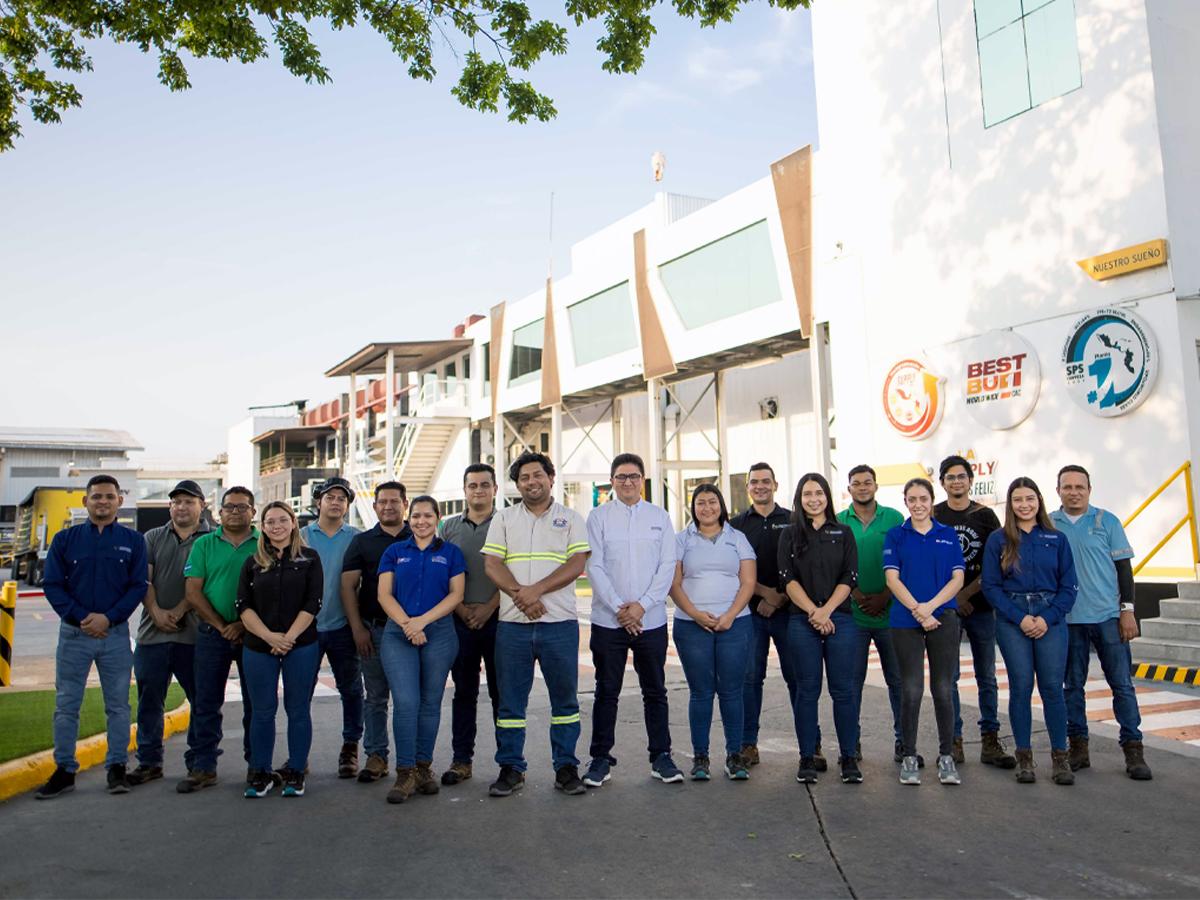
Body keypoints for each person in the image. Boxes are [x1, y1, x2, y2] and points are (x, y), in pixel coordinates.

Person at [482, 451, 590, 798]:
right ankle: (511, 767)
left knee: (565, 700)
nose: (531, 482)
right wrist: (520, 596)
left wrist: (536, 591)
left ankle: (566, 767)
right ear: (517, 485)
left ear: (551, 478)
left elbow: (576, 564)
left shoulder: (571, 518)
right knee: (511, 703)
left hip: (558, 623)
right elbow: (492, 565)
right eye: (524, 478)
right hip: (513, 625)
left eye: (537, 475)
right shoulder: (503, 519)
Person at [36, 475, 147, 799]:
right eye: (96, 496)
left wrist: (108, 618)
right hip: (74, 634)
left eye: (109, 496)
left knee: (118, 706)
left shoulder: (133, 541)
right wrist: (82, 617)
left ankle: (116, 769)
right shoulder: (65, 540)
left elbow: (138, 586)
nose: (102, 501)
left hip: (114, 637)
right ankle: (65, 770)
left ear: (119, 501)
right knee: (67, 704)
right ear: (85, 502)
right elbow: (53, 584)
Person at [583, 453, 682, 788]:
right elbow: (593, 566)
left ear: (643, 480)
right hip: (608, 621)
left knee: (655, 690)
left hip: (650, 620)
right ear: (612, 481)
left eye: (634, 476)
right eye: (621, 476)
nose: (628, 482)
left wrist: (642, 606)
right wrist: (619, 608)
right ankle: (600, 758)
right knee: (606, 691)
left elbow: (667, 565)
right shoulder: (597, 518)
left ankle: (661, 756)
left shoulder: (659, 516)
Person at [1052, 465, 1151, 780]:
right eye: (1067, 487)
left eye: (1080, 486)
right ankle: (1078, 748)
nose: (1074, 492)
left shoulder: (1107, 521)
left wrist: (1127, 610)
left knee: (1121, 685)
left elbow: (1124, 569)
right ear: (1058, 491)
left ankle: (1134, 750)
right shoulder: (1049, 525)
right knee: (1072, 687)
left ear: (1089, 490)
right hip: (1067, 619)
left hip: (1108, 617)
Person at [981, 477, 1079, 786]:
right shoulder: (999, 540)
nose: (1024, 504)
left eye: (1030, 498)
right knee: (1021, 686)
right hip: (1013, 619)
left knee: (1052, 688)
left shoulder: (1056, 538)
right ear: (1010, 504)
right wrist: (1020, 618)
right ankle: (1024, 758)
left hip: (1050, 618)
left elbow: (1069, 587)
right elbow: (990, 586)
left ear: (1039, 501)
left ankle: (1060, 758)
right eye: (1018, 499)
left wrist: (1046, 618)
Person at [377, 496, 466, 803]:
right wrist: (407, 625)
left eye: (427, 516)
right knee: (405, 702)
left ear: (438, 519)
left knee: (430, 702)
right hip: (398, 633)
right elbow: (384, 595)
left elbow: (456, 595)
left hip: (439, 633)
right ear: (408, 518)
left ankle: (422, 767)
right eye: (415, 516)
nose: (421, 521)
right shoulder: (394, 551)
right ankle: (404, 773)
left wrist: (422, 622)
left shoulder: (451, 553)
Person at [669, 484, 756, 782]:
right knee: (701, 692)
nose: (707, 508)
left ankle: (734, 756)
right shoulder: (682, 540)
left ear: (722, 505)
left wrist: (730, 616)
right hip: (691, 626)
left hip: (735, 624)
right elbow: (674, 583)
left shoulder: (738, 539)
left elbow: (747, 583)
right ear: (693, 508)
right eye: (700, 503)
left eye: (712, 502)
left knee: (732, 691)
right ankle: (701, 757)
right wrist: (695, 614)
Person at [934, 455, 1015, 769]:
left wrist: (967, 593)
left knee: (987, 676)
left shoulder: (986, 516)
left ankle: (990, 740)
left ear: (970, 480)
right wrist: (954, 599)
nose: (956, 482)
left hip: (981, 607)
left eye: (961, 476)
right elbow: (931, 563)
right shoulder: (934, 514)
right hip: (945, 609)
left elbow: (997, 563)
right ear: (942, 482)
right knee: (948, 677)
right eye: (950, 477)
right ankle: (953, 741)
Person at [883, 477, 965, 787]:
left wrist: (931, 607)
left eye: (923, 498)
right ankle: (909, 756)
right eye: (912, 499)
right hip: (905, 621)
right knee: (912, 689)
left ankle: (946, 757)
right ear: (906, 502)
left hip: (942, 618)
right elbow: (892, 579)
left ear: (932, 501)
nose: (918, 504)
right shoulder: (896, 535)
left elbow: (957, 578)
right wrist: (918, 610)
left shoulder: (948, 535)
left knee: (944, 689)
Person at [177, 486, 259, 794]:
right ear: (219, 512)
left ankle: (257, 765)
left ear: (253, 512)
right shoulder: (203, 545)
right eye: (230, 507)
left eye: (242, 507)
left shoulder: (264, 542)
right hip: (212, 634)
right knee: (206, 702)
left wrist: (241, 624)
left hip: (254, 635)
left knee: (256, 703)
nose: (235, 512)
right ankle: (203, 767)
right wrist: (222, 625)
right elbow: (193, 592)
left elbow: (273, 591)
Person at [128, 479, 211, 786]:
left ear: (202, 505)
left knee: (200, 701)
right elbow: (143, 581)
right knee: (149, 701)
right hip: (153, 635)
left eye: (188, 501)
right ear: (170, 506)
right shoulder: (152, 537)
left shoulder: (212, 538)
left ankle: (199, 763)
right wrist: (157, 612)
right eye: (176, 501)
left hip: (194, 636)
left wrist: (178, 610)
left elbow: (205, 585)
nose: (181, 507)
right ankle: (149, 762)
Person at [238, 502, 323, 798]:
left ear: (293, 523)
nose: (276, 526)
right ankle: (260, 772)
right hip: (259, 646)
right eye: (270, 521)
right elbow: (244, 606)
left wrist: (288, 637)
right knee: (262, 711)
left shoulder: (310, 558)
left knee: (298, 710)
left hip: (301, 644)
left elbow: (313, 603)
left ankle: (296, 771)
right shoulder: (252, 562)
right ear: (262, 526)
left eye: (282, 520)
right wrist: (269, 637)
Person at [780, 472, 861, 785]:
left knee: (844, 691)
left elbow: (850, 577)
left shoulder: (843, 532)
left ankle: (849, 757)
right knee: (807, 691)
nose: (813, 499)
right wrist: (814, 612)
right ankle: (807, 757)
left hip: (839, 618)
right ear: (799, 499)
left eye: (818, 493)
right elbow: (788, 579)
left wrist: (827, 610)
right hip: (803, 620)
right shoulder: (790, 534)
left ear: (827, 496)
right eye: (807, 494)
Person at [730, 463, 810, 769]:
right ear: (748, 487)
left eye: (766, 481)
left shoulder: (793, 521)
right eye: (754, 482)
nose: (760, 486)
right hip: (750, 614)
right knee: (750, 680)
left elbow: (803, 567)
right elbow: (735, 569)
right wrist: (764, 594)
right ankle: (748, 744)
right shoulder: (736, 525)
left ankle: (810, 744)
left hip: (790, 613)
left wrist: (778, 599)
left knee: (798, 679)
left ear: (775, 484)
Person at [341, 481, 412, 784]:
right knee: (376, 697)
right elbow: (347, 586)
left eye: (394, 501)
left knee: (411, 700)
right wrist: (357, 628)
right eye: (382, 502)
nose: (388, 506)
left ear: (404, 504)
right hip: (375, 629)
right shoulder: (363, 542)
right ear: (375, 506)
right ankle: (376, 755)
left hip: (413, 631)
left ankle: (415, 761)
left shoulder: (421, 534)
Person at [837, 464, 905, 764]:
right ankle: (852, 745)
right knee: (851, 685)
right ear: (848, 488)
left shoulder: (895, 518)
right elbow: (835, 565)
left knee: (899, 682)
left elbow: (905, 562)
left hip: (891, 613)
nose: (862, 487)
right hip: (852, 614)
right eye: (856, 483)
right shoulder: (838, 521)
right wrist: (856, 593)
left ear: (876, 486)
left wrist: (885, 596)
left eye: (867, 482)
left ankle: (905, 742)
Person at [438, 465, 501, 787]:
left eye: (485, 485)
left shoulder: (507, 523)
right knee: (464, 693)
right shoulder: (448, 528)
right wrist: (462, 610)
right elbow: (441, 574)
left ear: (495, 489)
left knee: (502, 695)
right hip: (459, 623)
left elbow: (515, 572)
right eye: (473, 485)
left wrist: (489, 608)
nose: (479, 490)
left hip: (499, 621)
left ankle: (508, 763)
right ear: (464, 490)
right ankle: (462, 760)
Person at [302, 476, 363, 779]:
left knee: (351, 689)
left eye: (342, 498)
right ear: (319, 502)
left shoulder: (357, 537)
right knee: (301, 692)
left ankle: (350, 747)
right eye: (330, 497)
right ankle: (300, 753)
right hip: (306, 627)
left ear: (347, 505)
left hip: (343, 626)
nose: (336, 502)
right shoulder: (300, 536)